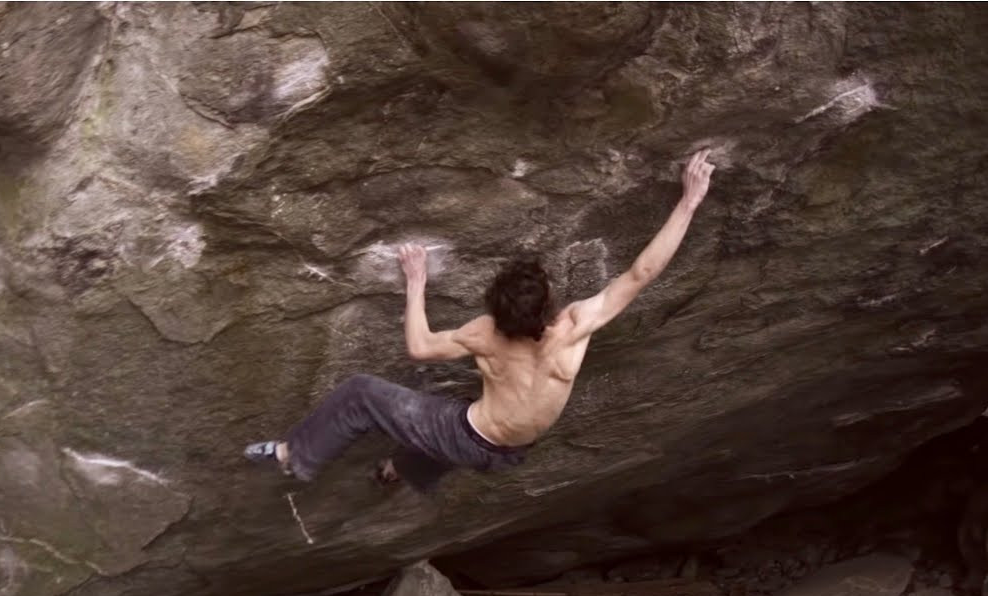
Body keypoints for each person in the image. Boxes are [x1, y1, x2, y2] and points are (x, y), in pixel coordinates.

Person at [245, 149, 716, 491]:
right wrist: (689, 200)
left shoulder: (484, 333)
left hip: (468, 438)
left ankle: (295, 454)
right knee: (450, 412)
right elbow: (642, 273)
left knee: (364, 394)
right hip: (511, 453)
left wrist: (415, 283)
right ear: (549, 305)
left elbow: (420, 348)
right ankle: (386, 470)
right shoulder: (574, 328)